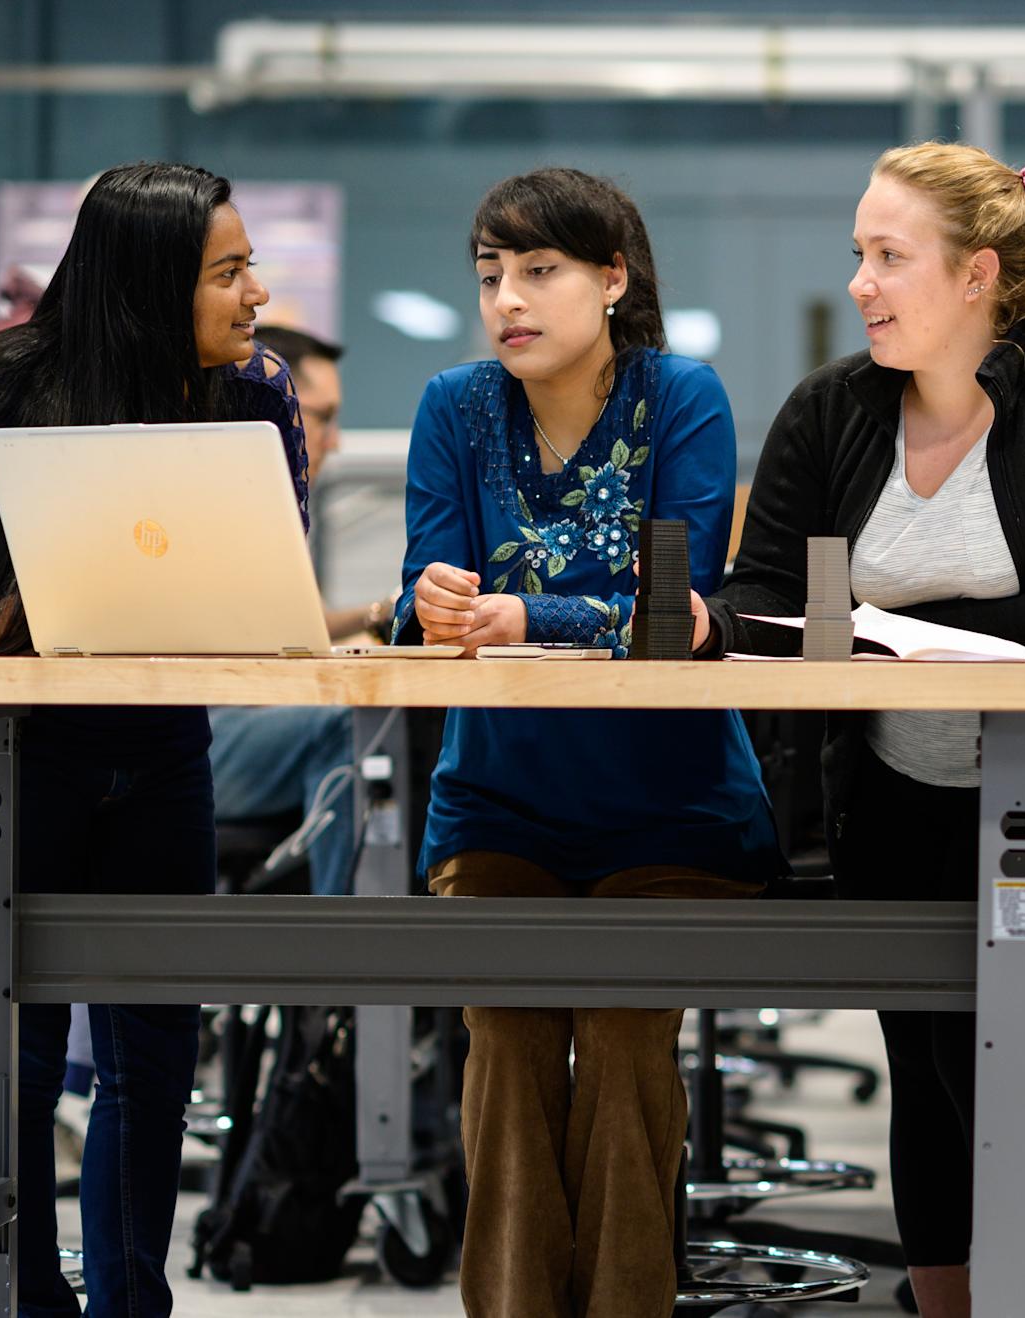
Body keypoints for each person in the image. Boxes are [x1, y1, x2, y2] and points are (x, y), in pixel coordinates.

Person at [696, 142, 1025, 1318]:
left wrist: (866, 629)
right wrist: (727, 624)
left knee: (999, 1065)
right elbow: (766, 598)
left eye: (889, 256)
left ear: (977, 275)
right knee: (920, 1055)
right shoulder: (835, 408)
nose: (860, 282)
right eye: (858, 253)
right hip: (890, 787)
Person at [388, 167, 783, 1317]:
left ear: (612, 280)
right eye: (489, 276)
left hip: (673, 812)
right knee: (508, 1042)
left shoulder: (681, 396)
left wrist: (526, 616)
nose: (507, 299)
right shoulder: (454, 406)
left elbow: (681, 607)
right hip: (499, 804)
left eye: (539, 270)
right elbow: (422, 590)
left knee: (620, 1037)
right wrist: (436, 601)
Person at [0, 160, 301, 1318]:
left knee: (151, 1062)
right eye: (228, 273)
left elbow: (267, 595)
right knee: (20, 1061)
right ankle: (28, 1302)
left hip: (163, 752)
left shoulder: (256, 394)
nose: (256, 295)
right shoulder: (12, 379)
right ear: (150, 285)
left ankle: (133, 1306)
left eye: (249, 267)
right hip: (16, 755)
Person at [207, 324, 392, 895]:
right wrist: (378, 616)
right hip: (200, 734)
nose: (334, 441)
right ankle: (337, 928)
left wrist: (379, 613)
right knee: (343, 725)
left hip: (231, 723)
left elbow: (299, 620)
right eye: (323, 417)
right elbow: (294, 634)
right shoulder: (225, 506)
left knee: (383, 719)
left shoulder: (272, 501)